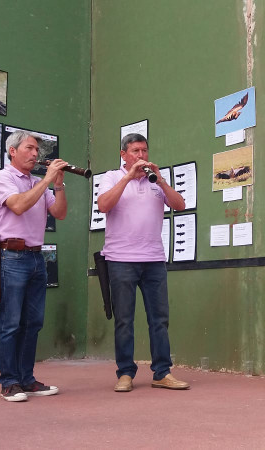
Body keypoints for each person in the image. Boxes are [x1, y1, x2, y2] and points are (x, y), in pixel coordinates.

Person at [97, 133, 189, 392]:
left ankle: (162, 372)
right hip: (120, 260)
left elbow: (179, 205)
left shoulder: (155, 181)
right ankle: (125, 373)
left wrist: (160, 181)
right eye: (135, 151)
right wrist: (128, 177)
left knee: (159, 319)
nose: (141, 155)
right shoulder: (112, 177)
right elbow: (103, 205)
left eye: (144, 150)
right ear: (123, 155)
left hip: (154, 260)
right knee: (124, 320)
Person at [0, 130, 69, 402]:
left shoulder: (38, 182)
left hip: (37, 256)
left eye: (37, 150)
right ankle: (9, 382)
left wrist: (58, 184)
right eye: (30, 148)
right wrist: (46, 180)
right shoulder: (2, 178)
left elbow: (59, 213)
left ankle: (27, 379)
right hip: (11, 256)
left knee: (33, 323)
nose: (36, 154)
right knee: (10, 323)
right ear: (13, 151)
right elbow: (19, 205)